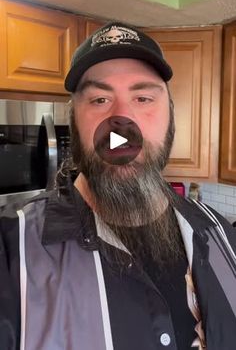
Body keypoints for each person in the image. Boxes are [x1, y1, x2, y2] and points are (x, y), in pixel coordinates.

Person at [0, 22, 236, 350]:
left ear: (171, 116)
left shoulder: (220, 234)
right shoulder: (11, 254)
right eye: (99, 100)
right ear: (75, 121)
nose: (121, 124)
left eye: (142, 97)